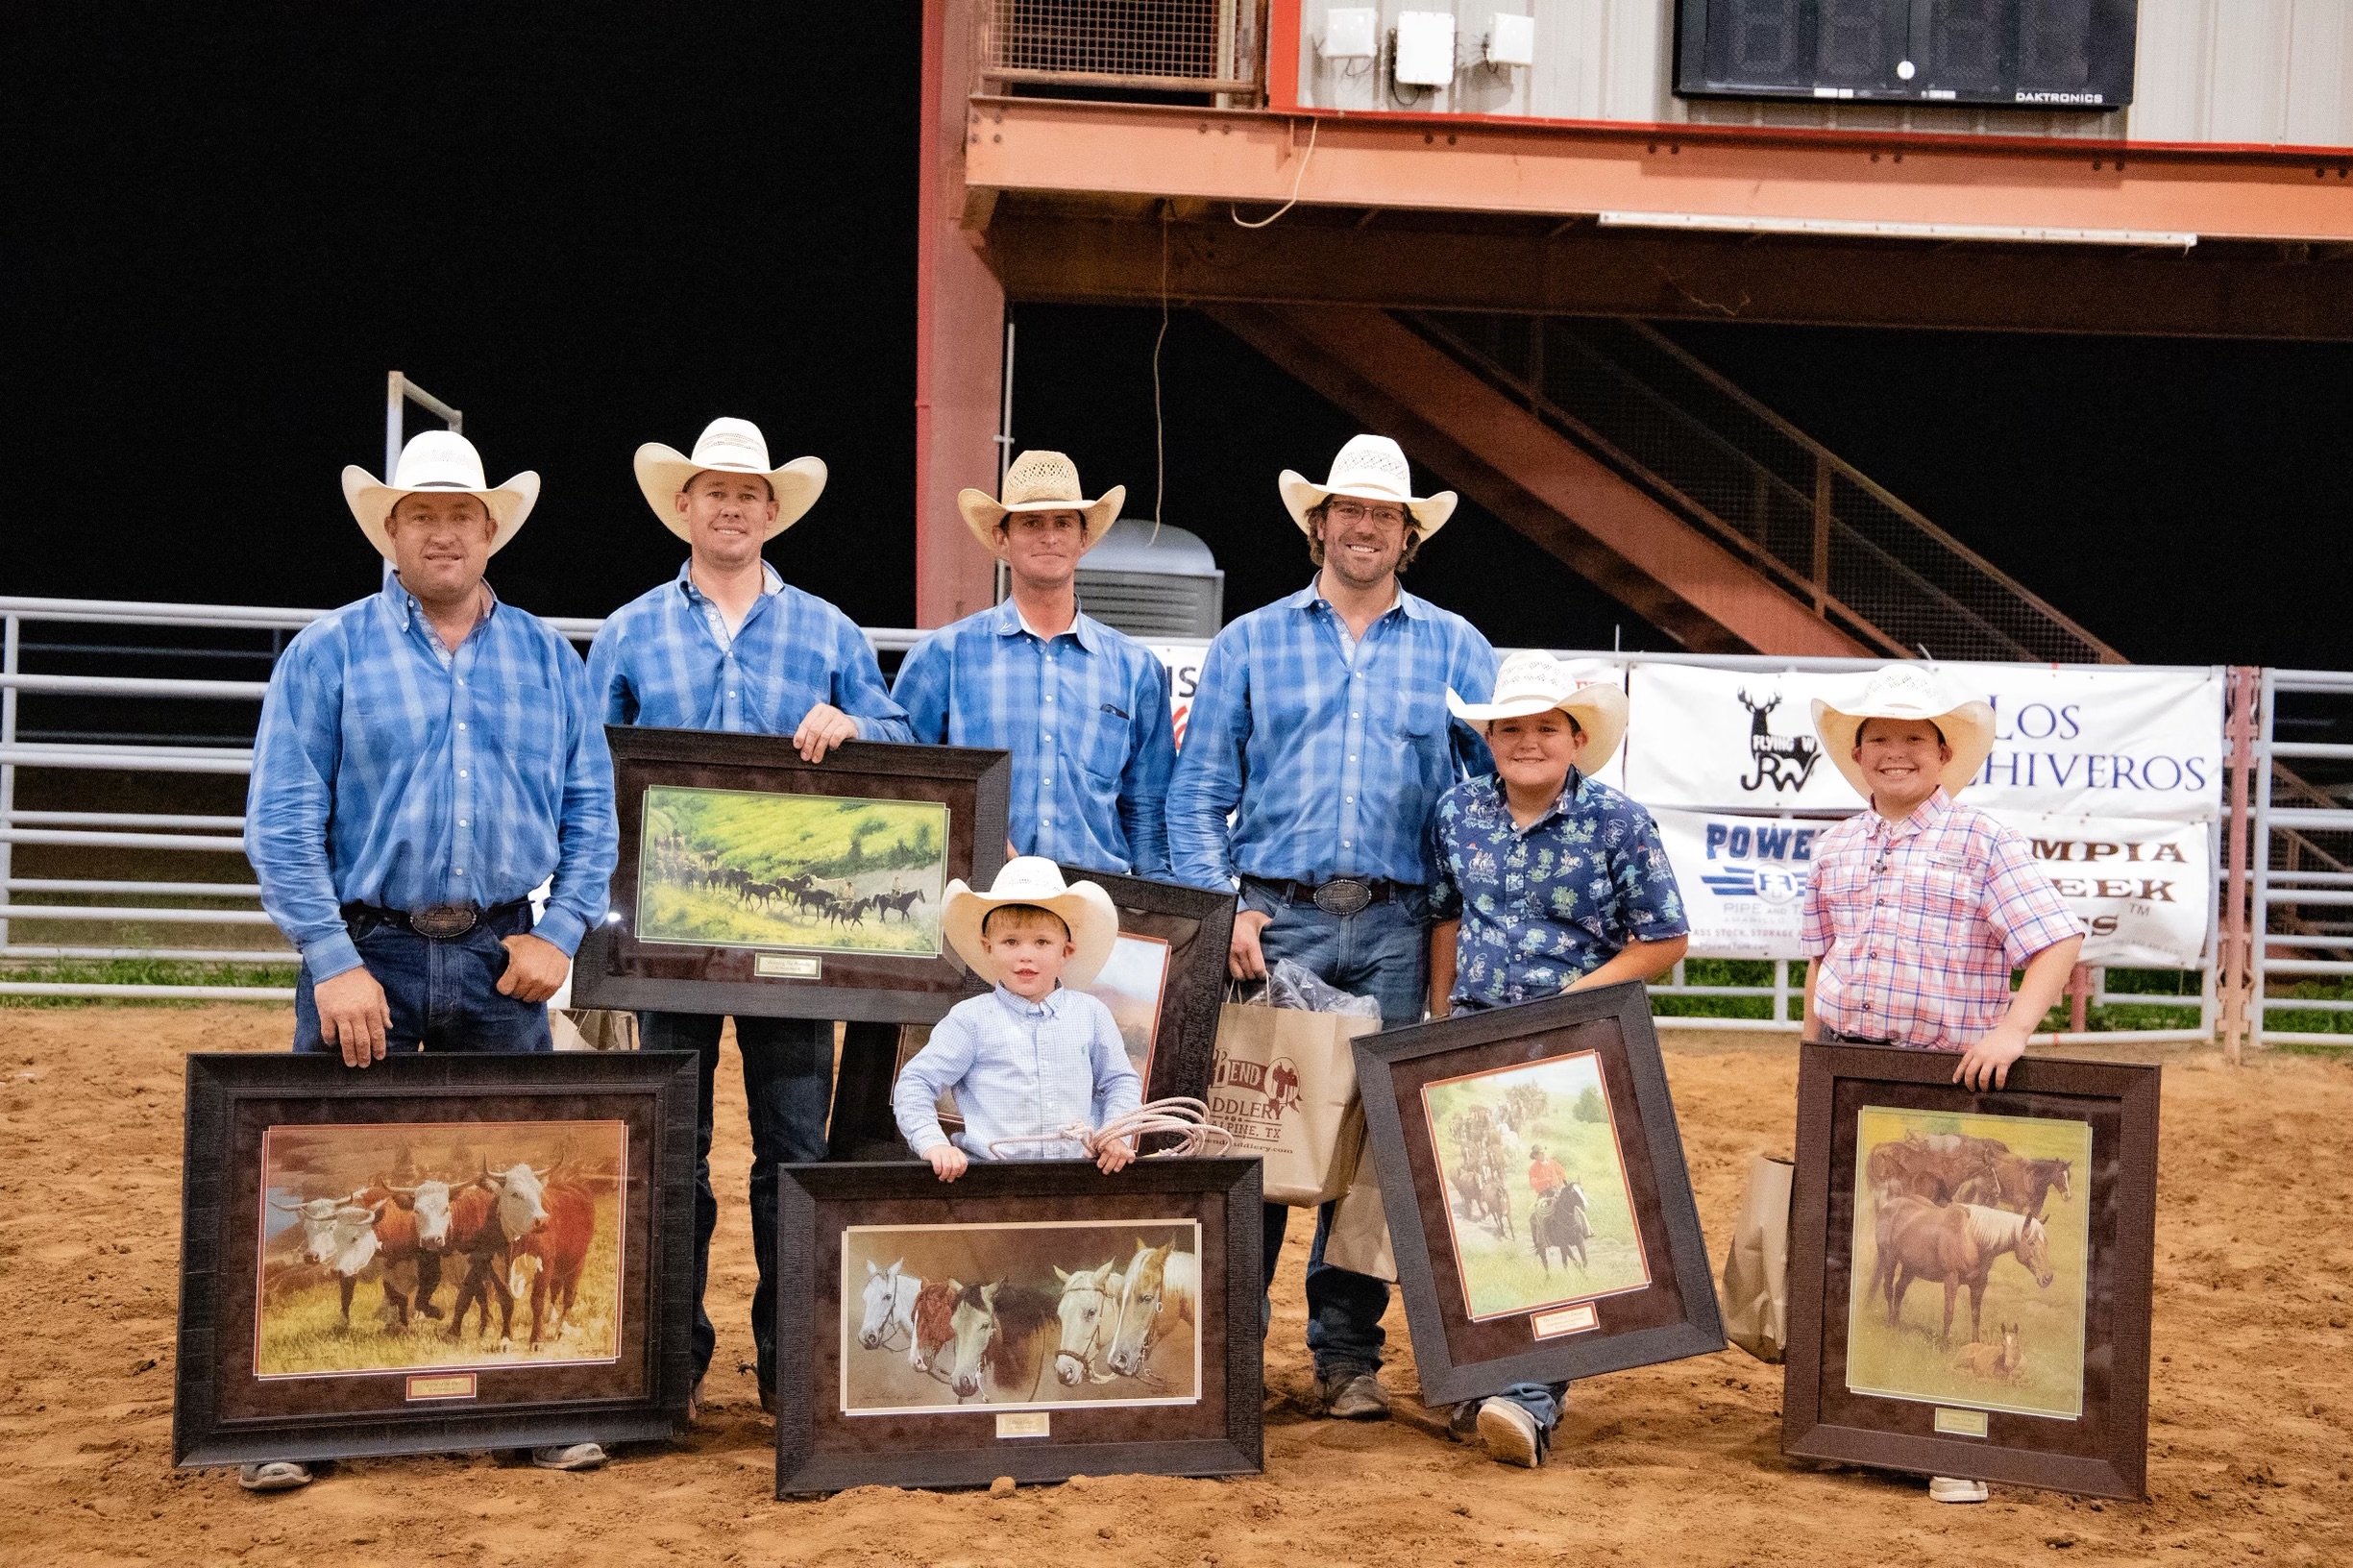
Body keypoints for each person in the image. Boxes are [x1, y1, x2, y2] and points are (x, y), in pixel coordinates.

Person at [242, 430, 620, 1488]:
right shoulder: (328, 654)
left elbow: (592, 811)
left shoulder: (550, 658)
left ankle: (529, 1401)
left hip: (504, 947)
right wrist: (329, 954)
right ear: (392, 532)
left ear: (490, 528)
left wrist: (564, 928)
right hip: (369, 945)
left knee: (511, 1177)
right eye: (421, 515)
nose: (443, 530)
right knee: (333, 1169)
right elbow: (280, 819)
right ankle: (296, 1418)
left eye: (461, 514)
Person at [584, 417, 912, 1418]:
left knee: (792, 1149)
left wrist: (856, 722)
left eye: (747, 494)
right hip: (666, 942)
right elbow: (586, 766)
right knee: (674, 1147)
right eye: (712, 492)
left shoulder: (828, 631)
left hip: (792, 939)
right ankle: (672, 1363)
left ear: (772, 511)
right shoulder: (631, 630)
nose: (730, 508)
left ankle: (789, 1364)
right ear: (684, 505)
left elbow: (899, 734)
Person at [1166, 433, 1498, 1421]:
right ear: (1319, 523)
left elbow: (1488, 797)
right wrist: (1222, 904)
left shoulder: (1458, 649)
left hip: (1401, 923)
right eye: (1348, 511)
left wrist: (1463, 932)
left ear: (1408, 534)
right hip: (1279, 920)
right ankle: (1228, 1350)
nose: (1364, 528)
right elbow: (1199, 792)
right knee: (1255, 1134)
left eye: (1383, 515)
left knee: (1373, 1150)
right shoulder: (1248, 644)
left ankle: (1345, 1357)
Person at [1800, 662, 2083, 1506]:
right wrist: (1814, 1062)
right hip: (1849, 1066)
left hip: (1942, 1078)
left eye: (1912, 739)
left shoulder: (1981, 840)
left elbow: (2055, 942)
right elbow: (1824, 959)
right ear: (1856, 756)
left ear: (1941, 752)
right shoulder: (1835, 845)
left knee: (1948, 1250)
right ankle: (1852, 1421)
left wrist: (2011, 1029)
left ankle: (1953, 1442)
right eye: (1877, 739)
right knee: (1855, 1245)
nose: (1894, 753)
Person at [1425, 650, 1690, 1467]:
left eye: (1547, 727)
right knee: (1482, 1216)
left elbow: (1664, 940)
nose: (1527, 741)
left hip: (1570, 1046)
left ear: (1577, 738)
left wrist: (1575, 998)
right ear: (1489, 737)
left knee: (1551, 1210)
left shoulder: (1619, 823)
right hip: (1473, 1034)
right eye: (1511, 728)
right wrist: (1438, 1015)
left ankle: (1530, 1394)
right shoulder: (1457, 812)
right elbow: (1445, 915)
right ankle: (1495, 1371)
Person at [892, 451, 1176, 876]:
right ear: (1003, 539)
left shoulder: (1135, 669)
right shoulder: (944, 656)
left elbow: (1150, 813)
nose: (1050, 536)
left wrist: (1158, 916)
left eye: (1063, 523)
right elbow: (902, 783)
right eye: (1031, 522)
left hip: (1097, 905)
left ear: (1083, 539)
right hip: (974, 898)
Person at [893, 857, 1142, 1176]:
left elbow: (1119, 1081)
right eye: (1010, 941)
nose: (1026, 954)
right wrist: (933, 1143)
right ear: (988, 948)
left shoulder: (1090, 1014)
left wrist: (1115, 1135)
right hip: (993, 1179)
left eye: (1042, 942)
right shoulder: (970, 1020)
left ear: (1065, 951)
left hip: (1078, 1175)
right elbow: (915, 1082)